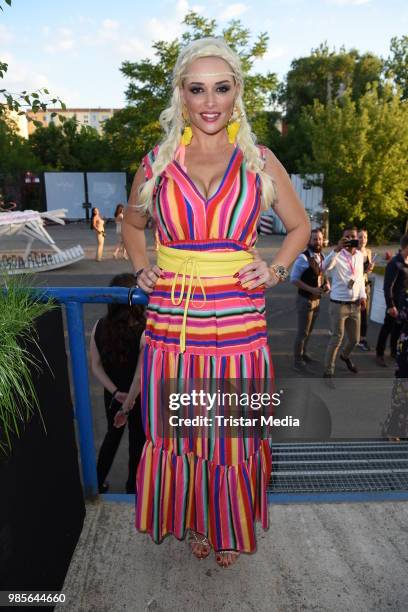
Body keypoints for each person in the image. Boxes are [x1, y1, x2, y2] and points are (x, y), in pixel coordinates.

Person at [122, 37, 310, 568]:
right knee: (182, 436)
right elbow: (132, 224)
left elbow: (299, 228)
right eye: (197, 88)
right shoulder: (158, 160)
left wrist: (273, 269)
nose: (210, 101)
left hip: (238, 331)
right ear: (181, 94)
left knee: (229, 440)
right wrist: (142, 267)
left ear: (236, 94)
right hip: (171, 331)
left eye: (221, 89)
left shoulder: (259, 160)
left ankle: (226, 525)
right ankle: (199, 520)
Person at [90, 273, 146, 494]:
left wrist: (115, 393)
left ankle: (97, 482)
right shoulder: (144, 331)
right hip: (138, 397)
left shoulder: (99, 326)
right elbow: (139, 377)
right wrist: (128, 402)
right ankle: (133, 487)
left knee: (111, 438)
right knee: (137, 441)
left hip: (112, 395)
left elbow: (95, 365)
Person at [322, 227, 367, 386]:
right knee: (337, 338)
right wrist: (336, 250)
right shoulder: (337, 255)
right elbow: (324, 268)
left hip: (355, 305)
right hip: (338, 305)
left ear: (357, 238)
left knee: (354, 339)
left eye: (353, 236)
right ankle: (328, 372)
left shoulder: (360, 255)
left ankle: (345, 356)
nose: (350, 239)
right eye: (346, 237)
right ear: (342, 239)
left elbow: (360, 278)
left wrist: (363, 296)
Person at [290, 228, 329, 371]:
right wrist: (311, 289)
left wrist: (327, 284)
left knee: (309, 331)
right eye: (314, 239)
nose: (317, 242)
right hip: (305, 300)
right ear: (308, 241)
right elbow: (293, 279)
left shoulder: (322, 256)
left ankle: (304, 353)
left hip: (317, 299)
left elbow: (322, 274)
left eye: (319, 239)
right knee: (302, 332)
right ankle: (297, 361)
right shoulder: (303, 258)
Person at [381, 272, 408, 441]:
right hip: (406, 350)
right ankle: (392, 429)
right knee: (402, 391)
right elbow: (401, 318)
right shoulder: (406, 296)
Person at [376, 233, 408, 367]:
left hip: (404, 305)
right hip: (394, 303)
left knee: (398, 329)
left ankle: (394, 351)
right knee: (387, 328)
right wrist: (391, 305)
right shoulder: (395, 263)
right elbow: (387, 286)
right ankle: (379, 354)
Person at [357, 229, 375, 351]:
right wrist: (365, 270)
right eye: (360, 236)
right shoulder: (353, 252)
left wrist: (370, 269)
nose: (362, 239)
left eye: (365, 237)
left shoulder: (368, 251)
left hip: (365, 286)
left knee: (364, 313)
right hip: (355, 287)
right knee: (352, 313)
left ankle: (362, 339)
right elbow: (354, 273)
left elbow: (368, 272)